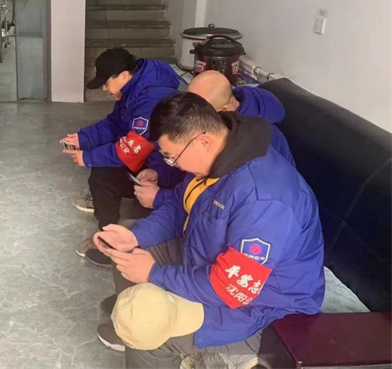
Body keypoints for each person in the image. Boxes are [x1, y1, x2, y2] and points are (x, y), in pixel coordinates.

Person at [92, 93, 325, 367]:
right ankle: (137, 319)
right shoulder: (217, 155)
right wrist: (135, 236)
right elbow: (180, 203)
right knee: (128, 246)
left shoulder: (263, 199)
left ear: (203, 141)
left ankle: (150, 335)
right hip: (207, 255)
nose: (174, 165)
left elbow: (231, 288)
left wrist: (154, 274)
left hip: (261, 305)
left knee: (152, 341)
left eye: (172, 158)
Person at [61, 48, 183, 268]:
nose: (105, 89)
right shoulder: (136, 88)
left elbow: (132, 150)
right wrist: (83, 138)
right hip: (152, 163)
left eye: (106, 83)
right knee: (103, 166)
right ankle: (105, 213)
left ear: (124, 75)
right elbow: (114, 123)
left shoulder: (151, 99)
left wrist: (87, 157)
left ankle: (109, 241)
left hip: (165, 169)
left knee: (103, 176)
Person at [134, 70, 294, 211]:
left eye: (196, 112)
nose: (186, 118)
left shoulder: (259, 143)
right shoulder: (218, 122)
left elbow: (219, 203)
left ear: (224, 110)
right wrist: (160, 173)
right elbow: (188, 167)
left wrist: (160, 198)